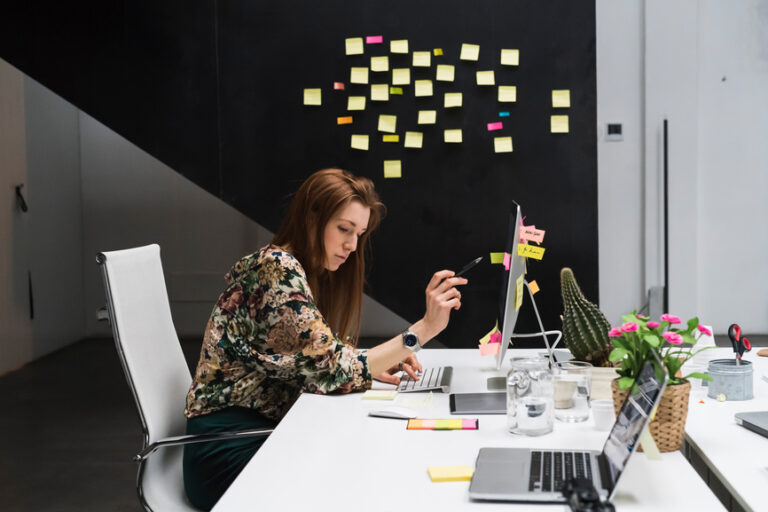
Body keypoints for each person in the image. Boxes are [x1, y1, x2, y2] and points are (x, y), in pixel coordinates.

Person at [183, 168, 467, 509]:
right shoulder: (276, 270)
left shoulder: (296, 268)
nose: (351, 245)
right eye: (344, 229)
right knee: (360, 472)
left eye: (359, 234)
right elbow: (332, 368)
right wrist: (423, 330)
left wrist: (368, 363)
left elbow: (318, 359)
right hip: (229, 454)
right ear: (310, 218)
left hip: (261, 434)